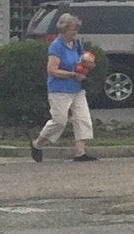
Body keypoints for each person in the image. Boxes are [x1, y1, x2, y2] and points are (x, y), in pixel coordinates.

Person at [31, 13, 98, 163]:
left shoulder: (77, 44)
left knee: (83, 119)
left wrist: (89, 64)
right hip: (59, 89)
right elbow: (52, 70)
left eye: (75, 29)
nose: (73, 32)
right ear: (63, 29)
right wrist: (72, 74)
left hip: (76, 89)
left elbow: (82, 61)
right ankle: (38, 143)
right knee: (59, 121)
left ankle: (80, 152)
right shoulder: (56, 46)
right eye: (70, 29)